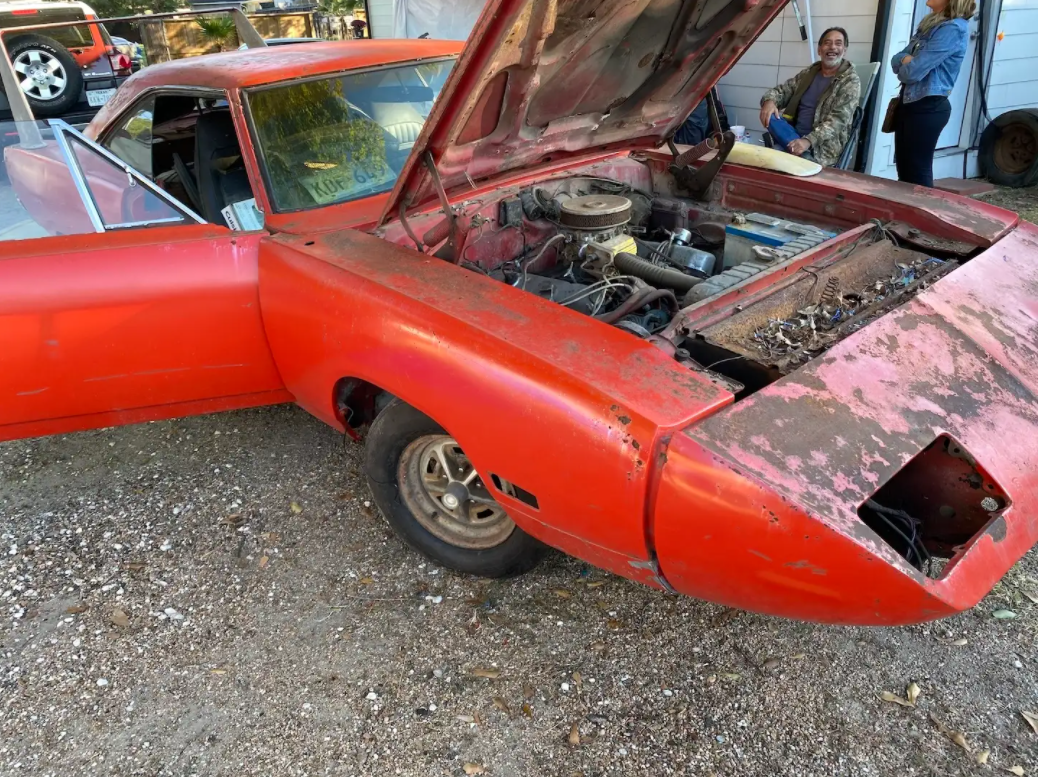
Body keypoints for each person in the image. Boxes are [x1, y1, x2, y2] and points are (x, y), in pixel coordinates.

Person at [890, 0, 976, 187]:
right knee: (905, 172)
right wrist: (906, 60)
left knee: (917, 173)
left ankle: (920, 214)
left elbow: (911, 73)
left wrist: (907, 62)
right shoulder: (930, 23)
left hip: (928, 106)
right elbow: (896, 59)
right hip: (910, 103)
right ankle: (905, 215)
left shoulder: (952, 29)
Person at [759, 27, 861, 167]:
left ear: (844, 50)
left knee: (772, 163)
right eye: (827, 43)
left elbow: (838, 121)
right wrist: (769, 101)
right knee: (770, 114)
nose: (832, 47)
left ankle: (802, 154)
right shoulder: (809, 73)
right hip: (792, 135)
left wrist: (807, 141)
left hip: (819, 149)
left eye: (838, 43)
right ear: (820, 50)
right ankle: (797, 151)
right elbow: (783, 91)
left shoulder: (850, 81)